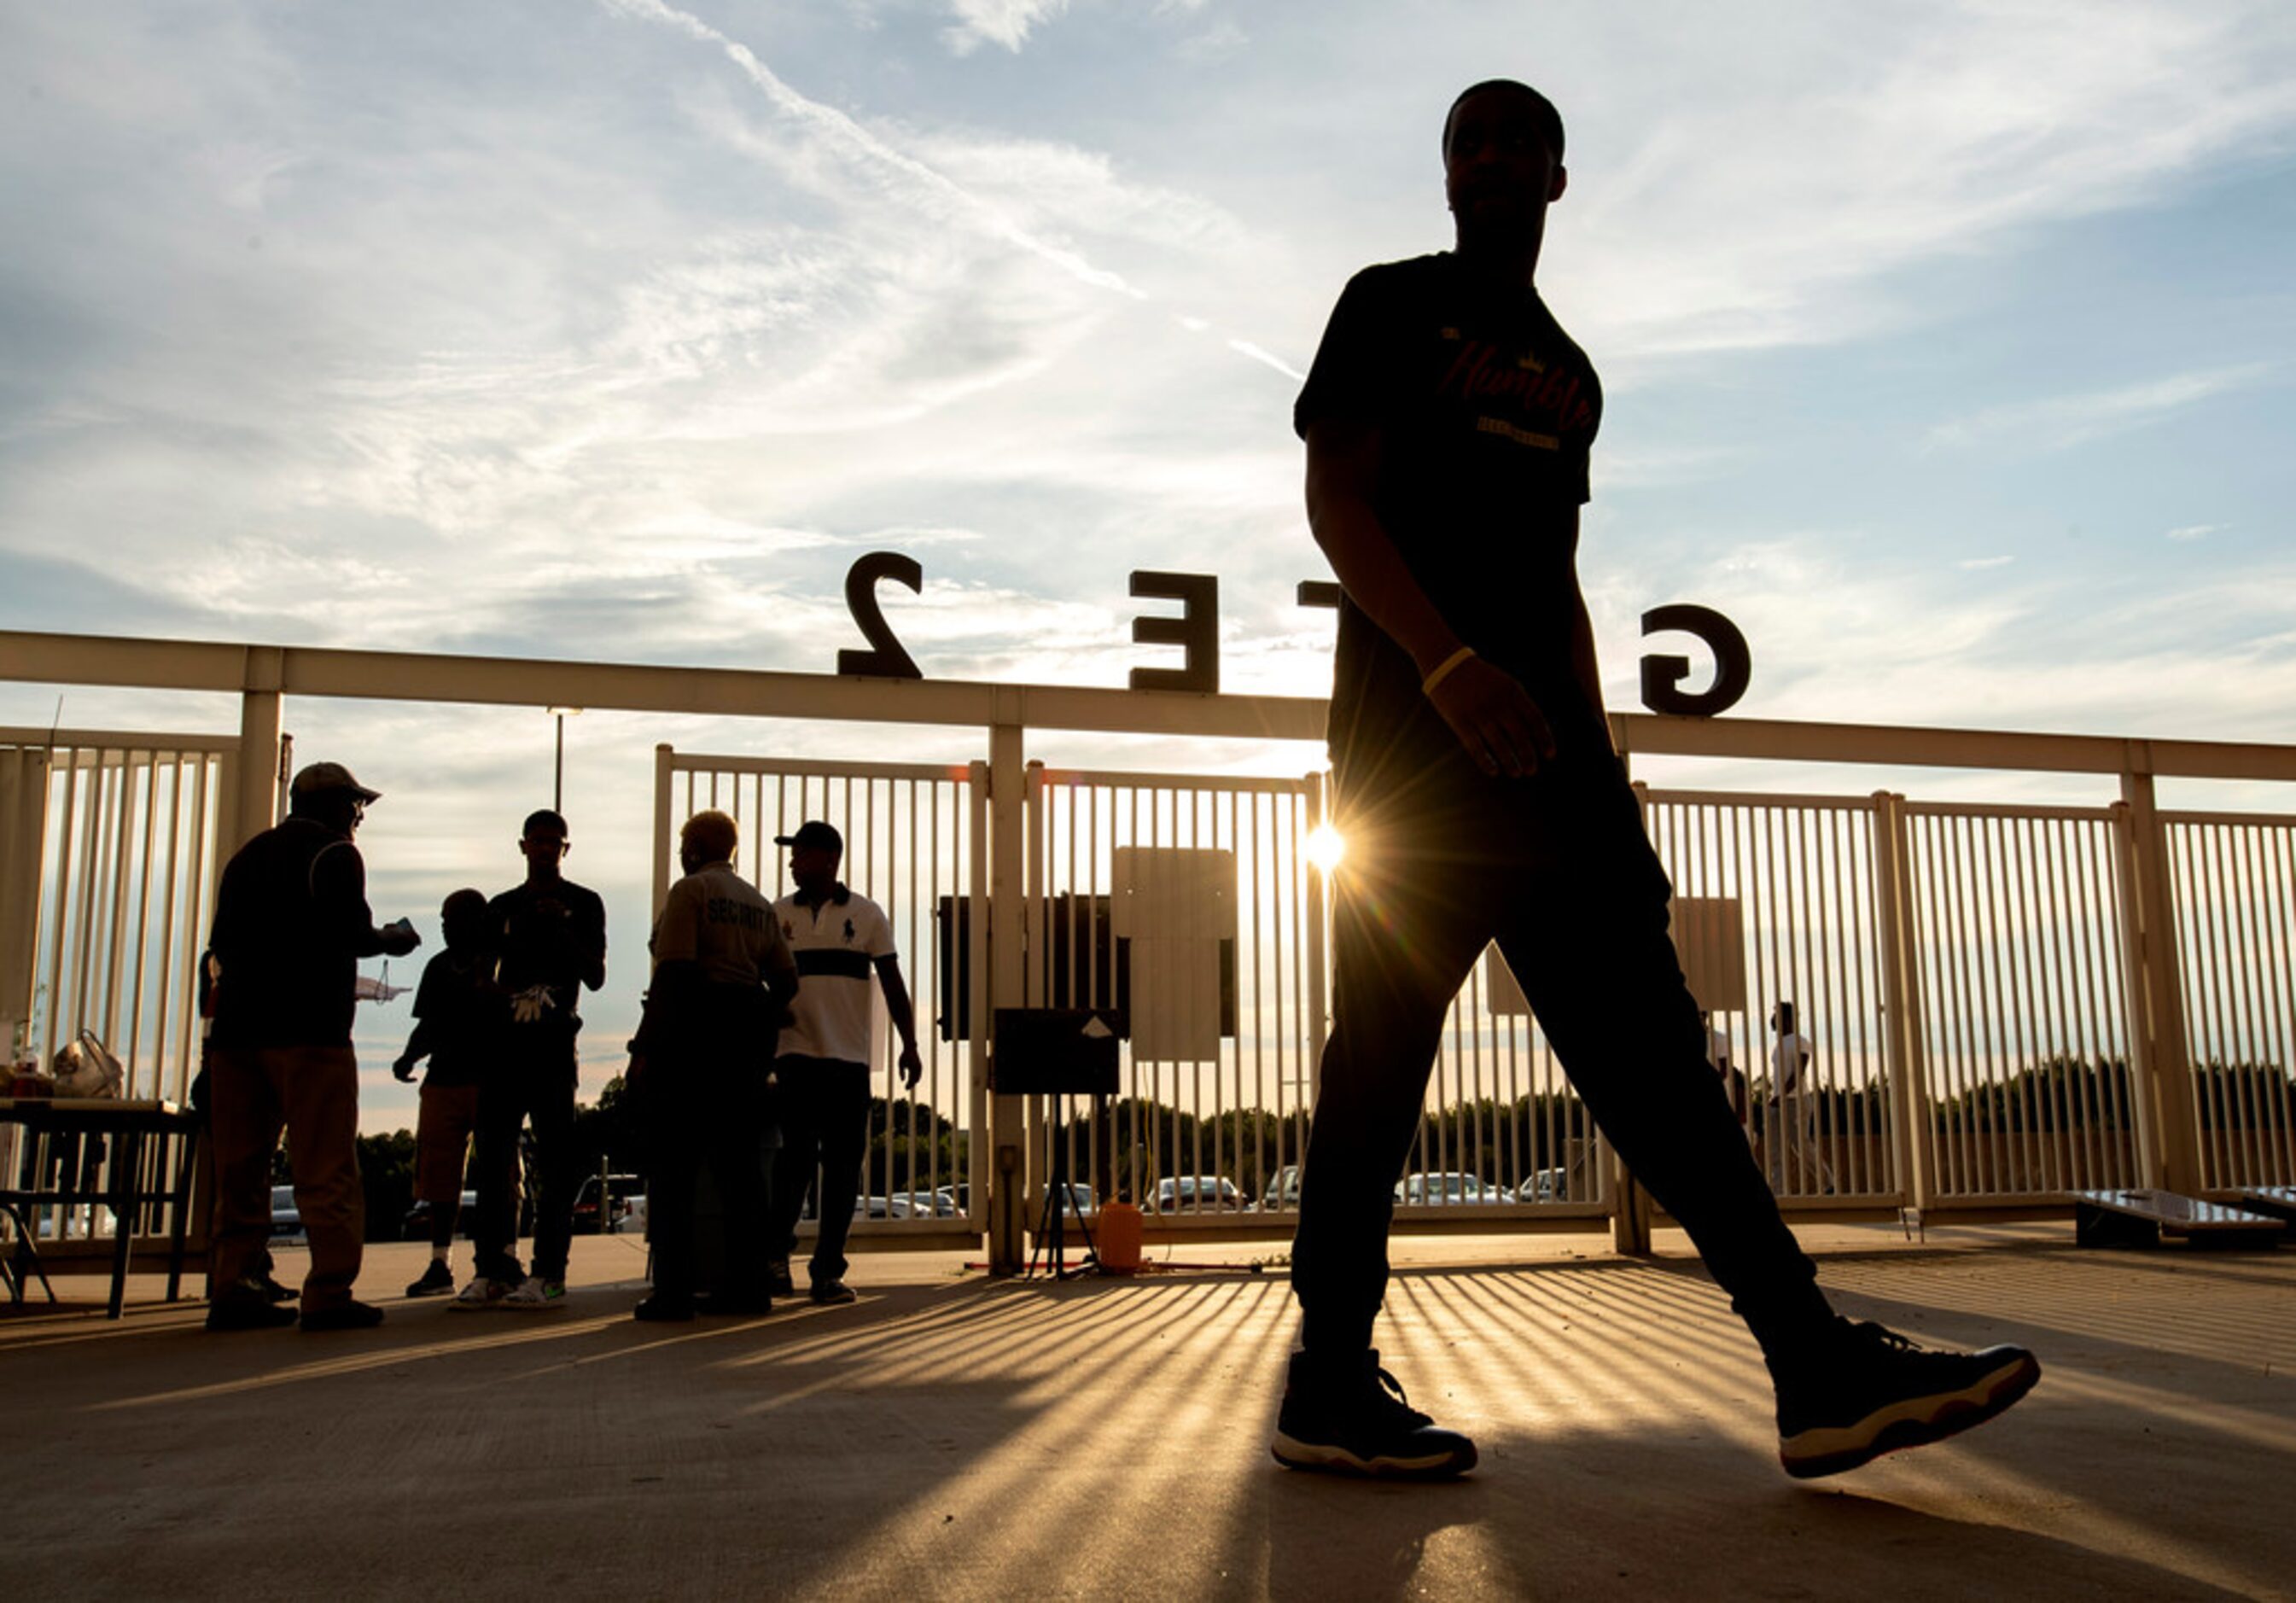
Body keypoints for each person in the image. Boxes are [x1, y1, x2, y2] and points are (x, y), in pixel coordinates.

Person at [1276, 79, 2038, 1480]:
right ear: (1448, 174)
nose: (1496, 157)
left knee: (1661, 1067)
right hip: (1410, 769)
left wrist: (1599, 757)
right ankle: (1326, 1377)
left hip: (1554, 771)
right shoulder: (1388, 303)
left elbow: (1556, 575)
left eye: (1521, 141)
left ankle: (1811, 1362)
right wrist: (1447, 665)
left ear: (1560, 178)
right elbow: (1338, 499)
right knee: (1379, 1059)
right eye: (1473, 140)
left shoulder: (1569, 371)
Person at [203, 761, 420, 1332]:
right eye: (356, 806)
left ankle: (233, 1285)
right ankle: (328, 1291)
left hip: (237, 1038)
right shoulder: (336, 855)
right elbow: (354, 934)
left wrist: (212, 1042)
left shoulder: (246, 858)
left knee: (241, 1168)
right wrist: (393, 939)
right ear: (334, 807)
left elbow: (218, 954)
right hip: (309, 1035)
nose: (359, 817)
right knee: (324, 1167)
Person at [628, 809, 800, 1321]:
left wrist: (645, 1049)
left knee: (674, 1168)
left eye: (685, 843)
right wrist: (758, 1017)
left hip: (692, 1038)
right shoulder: (757, 903)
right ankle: (748, 1287)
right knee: (741, 1171)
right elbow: (787, 980)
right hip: (743, 1041)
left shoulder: (690, 893)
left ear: (697, 845)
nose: (683, 852)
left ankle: (675, 1291)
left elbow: (674, 974)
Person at [763, 820, 923, 1306]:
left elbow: (892, 983)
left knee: (841, 1169)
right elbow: (760, 984)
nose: (792, 862)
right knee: (792, 1165)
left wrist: (909, 1043)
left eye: (800, 853)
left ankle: (827, 1270)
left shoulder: (867, 915)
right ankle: (774, 1259)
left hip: (848, 1060)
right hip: (794, 1058)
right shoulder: (777, 915)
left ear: (829, 859)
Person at [454, 810, 606, 1313]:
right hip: (504, 1051)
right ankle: (493, 1268)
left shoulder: (583, 904)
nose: (544, 849)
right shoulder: (501, 907)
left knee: (555, 1164)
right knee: (494, 1160)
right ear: (523, 846)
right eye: (537, 841)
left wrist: (559, 928)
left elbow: (597, 975)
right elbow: (479, 975)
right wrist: (504, 994)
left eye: (553, 842)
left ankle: (550, 1272)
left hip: (554, 1051)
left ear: (566, 848)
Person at [392, 889, 511, 1297]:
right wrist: (409, 1057)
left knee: (504, 1173)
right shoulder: (439, 967)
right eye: (444, 919)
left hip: (490, 1078)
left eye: (453, 918)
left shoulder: (499, 964)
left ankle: (505, 1255)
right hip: (443, 1078)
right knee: (439, 1178)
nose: (445, 927)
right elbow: (428, 1024)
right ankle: (440, 1262)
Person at [1767, 1001, 1834, 1193]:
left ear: (1786, 1019)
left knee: (1801, 1145)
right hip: (1778, 1100)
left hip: (1795, 1100)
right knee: (1775, 1148)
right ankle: (1778, 1190)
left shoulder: (1799, 1041)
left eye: (1776, 1015)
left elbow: (1799, 1072)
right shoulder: (1778, 1045)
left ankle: (1828, 1184)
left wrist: (1782, 1095)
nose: (1773, 1020)